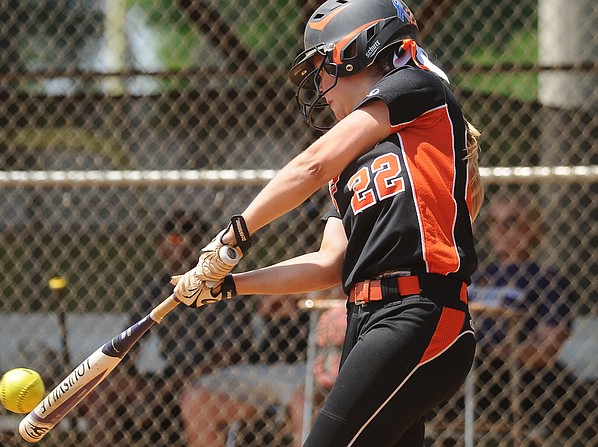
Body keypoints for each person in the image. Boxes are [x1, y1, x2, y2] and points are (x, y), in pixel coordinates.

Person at [171, 0, 484, 445]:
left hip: (417, 314)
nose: (320, 84)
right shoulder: (348, 166)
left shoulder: (417, 87)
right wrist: (229, 283)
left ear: (358, 49)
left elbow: (309, 167)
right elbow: (327, 264)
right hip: (367, 322)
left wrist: (233, 235)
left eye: (323, 65)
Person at [83, 210, 245, 447]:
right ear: (161, 245)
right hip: (169, 375)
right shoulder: (155, 290)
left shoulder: (222, 286)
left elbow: (228, 355)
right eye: (174, 240)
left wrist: (176, 384)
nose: (183, 248)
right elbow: (129, 344)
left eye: (193, 241)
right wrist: (126, 376)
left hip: (216, 378)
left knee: (186, 394)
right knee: (107, 388)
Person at [469, 193, 579, 444]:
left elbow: (546, 350)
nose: (499, 231)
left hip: (512, 376)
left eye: (510, 222)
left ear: (533, 226)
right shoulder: (475, 277)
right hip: (464, 369)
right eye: (492, 222)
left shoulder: (547, 280)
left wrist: (494, 352)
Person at [180, 287, 346, 447]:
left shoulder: (343, 264)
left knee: (301, 399)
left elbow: (342, 292)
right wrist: (284, 292)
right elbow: (264, 305)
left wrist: (302, 295)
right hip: (259, 367)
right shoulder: (285, 270)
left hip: (305, 366)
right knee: (195, 398)